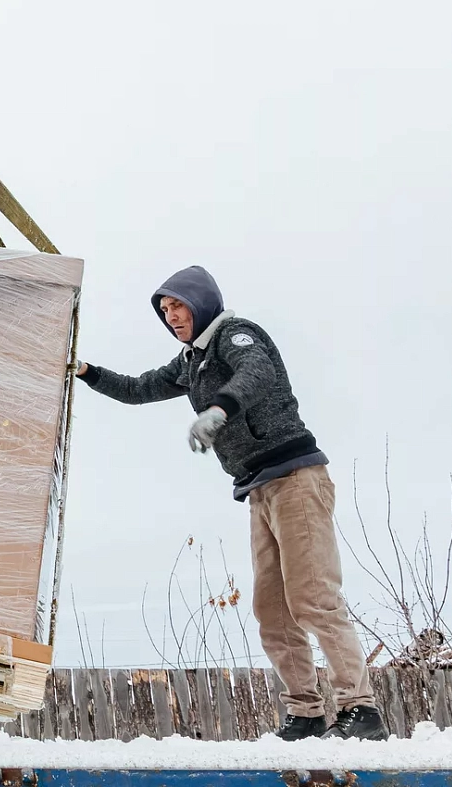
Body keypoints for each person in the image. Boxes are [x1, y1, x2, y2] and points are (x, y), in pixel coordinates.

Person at [76, 266, 385, 741]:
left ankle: (360, 710)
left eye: (178, 305)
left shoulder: (236, 336)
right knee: (272, 611)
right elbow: (140, 389)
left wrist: (219, 409)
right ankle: (305, 713)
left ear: (201, 303)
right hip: (259, 488)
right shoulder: (190, 362)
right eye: (165, 311)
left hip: (297, 478)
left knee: (313, 599)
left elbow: (256, 373)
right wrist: (86, 372)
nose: (172, 316)